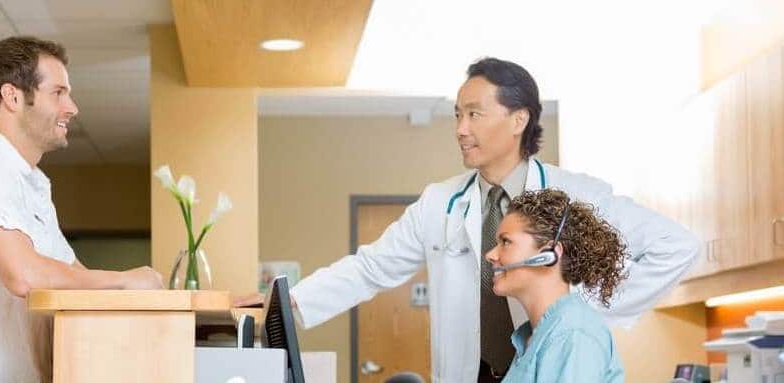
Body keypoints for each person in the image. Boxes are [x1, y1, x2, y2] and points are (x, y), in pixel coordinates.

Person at [236, 57, 699, 382]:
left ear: (519, 119)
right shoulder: (440, 203)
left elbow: (677, 246)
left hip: (547, 364)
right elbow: (370, 267)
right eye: (457, 115)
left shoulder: (576, 195)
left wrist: (581, 311)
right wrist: (287, 305)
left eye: (475, 114)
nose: (460, 128)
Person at [0, 36, 164, 383]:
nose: (72, 107)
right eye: (58, 93)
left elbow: (72, 280)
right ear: (12, 97)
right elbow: (24, 275)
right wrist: (123, 282)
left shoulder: (32, 185)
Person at [487, 189, 625, 382]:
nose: (490, 255)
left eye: (506, 242)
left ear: (548, 255)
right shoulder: (535, 335)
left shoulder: (572, 334)